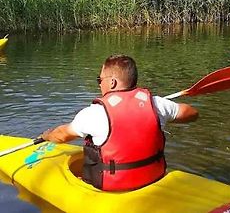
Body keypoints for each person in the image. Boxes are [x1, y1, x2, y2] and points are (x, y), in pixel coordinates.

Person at [41, 54, 198, 191]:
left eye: (99, 79)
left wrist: (47, 135)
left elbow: (62, 136)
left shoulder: (94, 113)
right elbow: (192, 114)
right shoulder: (157, 104)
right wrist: (159, 117)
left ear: (112, 82)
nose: (99, 84)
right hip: (153, 180)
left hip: (112, 189)